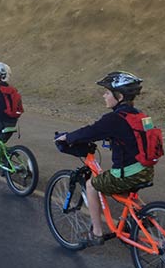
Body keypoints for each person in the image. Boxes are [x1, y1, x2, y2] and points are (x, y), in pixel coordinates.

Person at [55, 71, 154, 247]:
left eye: (107, 93)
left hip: (126, 174)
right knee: (126, 194)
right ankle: (146, 218)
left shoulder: (114, 119)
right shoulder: (142, 115)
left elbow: (90, 132)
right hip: (146, 170)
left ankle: (96, 233)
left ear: (120, 96)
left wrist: (67, 138)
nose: (104, 95)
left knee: (92, 185)